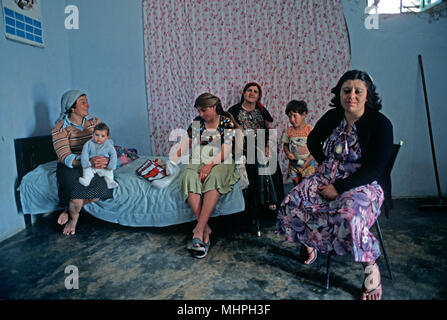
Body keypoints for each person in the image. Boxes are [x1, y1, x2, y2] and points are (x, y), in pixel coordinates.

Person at [276, 70, 393, 300]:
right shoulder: (333, 116)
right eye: (346, 90)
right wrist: (328, 166)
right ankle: (309, 242)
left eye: (358, 91)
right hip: (328, 177)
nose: (352, 95)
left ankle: (370, 266)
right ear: (339, 93)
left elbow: (376, 168)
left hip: (365, 183)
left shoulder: (381, 124)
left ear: (367, 95)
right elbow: (312, 140)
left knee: (350, 214)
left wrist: (339, 187)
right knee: (294, 199)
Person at [172, 92, 241, 259]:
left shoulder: (227, 123)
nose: (201, 114)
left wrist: (210, 165)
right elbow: (186, 143)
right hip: (199, 155)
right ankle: (205, 228)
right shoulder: (197, 122)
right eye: (199, 111)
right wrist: (172, 161)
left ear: (213, 107)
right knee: (188, 177)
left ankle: (198, 231)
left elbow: (227, 149)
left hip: (221, 158)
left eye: (203, 110)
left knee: (215, 176)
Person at [52, 90, 113, 235]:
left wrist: (104, 159)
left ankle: (68, 209)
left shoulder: (94, 123)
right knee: (77, 198)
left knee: (101, 190)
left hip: (92, 165)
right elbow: (65, 156)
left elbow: (107, 143)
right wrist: (87, 161)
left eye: (87, 101)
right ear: (72, 107)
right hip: (70, 166)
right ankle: (73, 219)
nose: (88, 105)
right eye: (83, 102)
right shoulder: (59, 129)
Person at [228, 82, 284, 233]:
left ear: (259, 96)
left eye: (255, 91)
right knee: (260, 156)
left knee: (268, 156)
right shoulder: (234, 110)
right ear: (244, 93)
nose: (252, 93)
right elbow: (229, 132)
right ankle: (267, 200)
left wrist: (267, 145)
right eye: (249, 90)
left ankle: (272, 204)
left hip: (260, 143)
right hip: (243, 147)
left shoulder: (261, 110)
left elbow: (268, 130)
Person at [282, 100, 316, 185]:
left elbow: (315, 148)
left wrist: (309, 160)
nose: (292, 119)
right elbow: (285, 145)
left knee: (306, 185)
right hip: (294, 164)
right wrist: (288, 153)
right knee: (296, 185)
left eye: (294, 116)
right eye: (290, 117)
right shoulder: (289, 131)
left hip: (307, 164)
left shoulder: (310, 130)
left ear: (303, 115)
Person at [79, 122, 119, 189]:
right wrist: (86, 164)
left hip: (104, 166)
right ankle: (86, 180)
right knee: (87, 170)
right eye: (96, 135)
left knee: (109, 172)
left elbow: (113, 155)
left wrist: (111, 165)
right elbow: (84, 154)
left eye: (102, 136)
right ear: (93, 134)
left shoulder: (108, 145)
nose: (99, 138)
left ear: (107, 137)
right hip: (91, 165)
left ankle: (110, 182)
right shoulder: (88, 144)